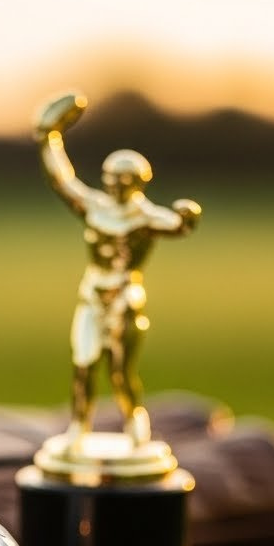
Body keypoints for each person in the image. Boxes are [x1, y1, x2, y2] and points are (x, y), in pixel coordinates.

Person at [34, 92, 201, 451]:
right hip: (92, 294)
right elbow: (62, 180)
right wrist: (50, 137)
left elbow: (176, 226)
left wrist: (187, 216)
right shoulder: (95, 206)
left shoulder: (146, 216)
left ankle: (135, 423)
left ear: (137, 183)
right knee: (83, 364)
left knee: (121, 373)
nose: (114, 184)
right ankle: (79, 428)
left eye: (122, 179)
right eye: (111, 177)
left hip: (125, 298)